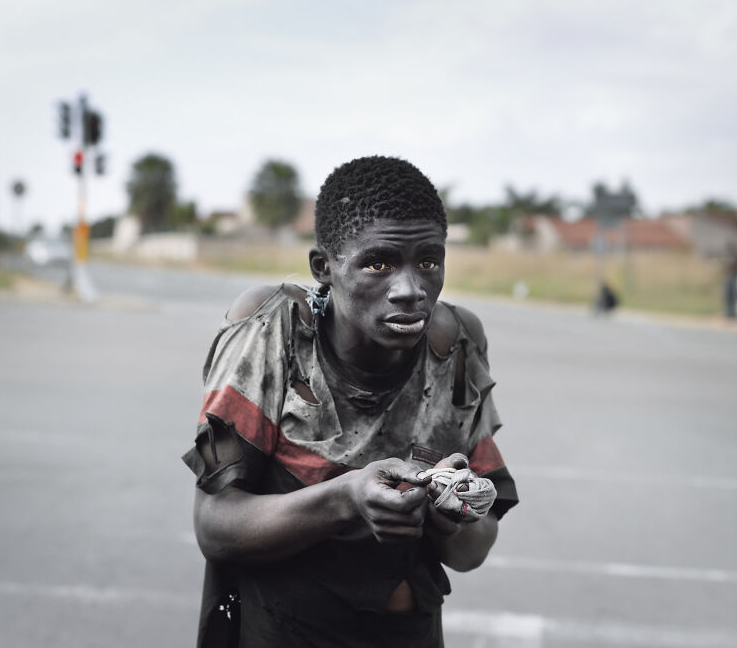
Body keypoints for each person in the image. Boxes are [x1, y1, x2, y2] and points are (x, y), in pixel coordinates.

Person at [183, 156, 518, 647]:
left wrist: (450, 515)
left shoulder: (456, 344)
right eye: (378, 263)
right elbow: (214, 525)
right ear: (324, 267)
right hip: (284, 630)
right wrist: (345, 498)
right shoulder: (273, 331)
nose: (410, 290)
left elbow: (472, 551)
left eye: (428, 261)